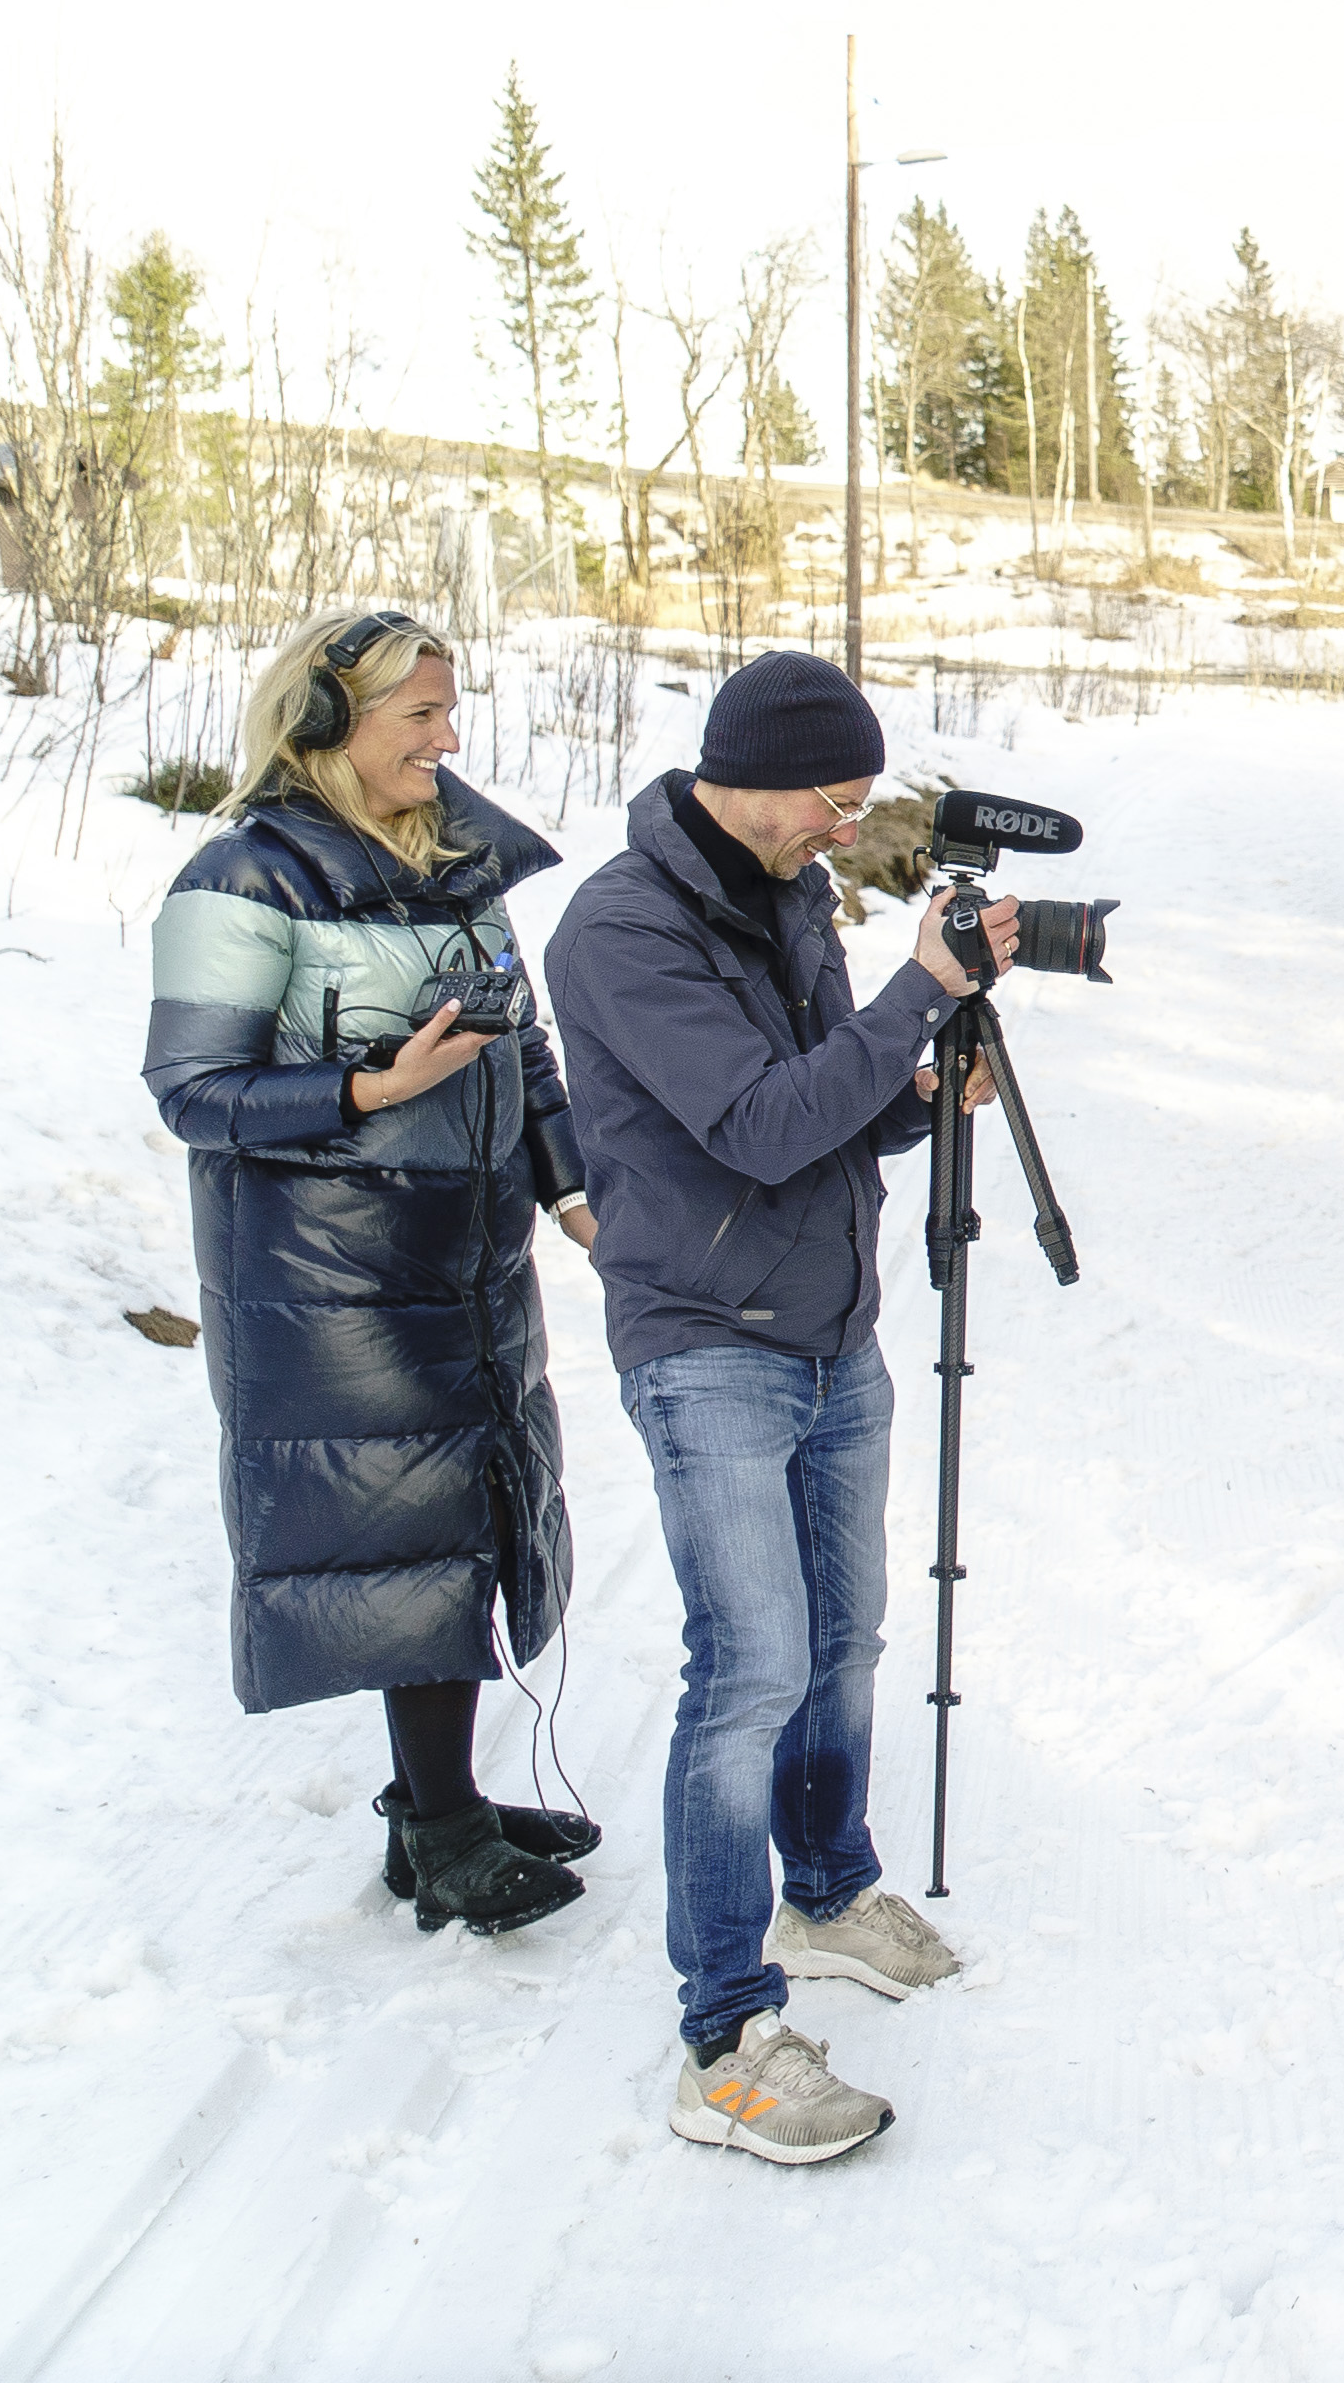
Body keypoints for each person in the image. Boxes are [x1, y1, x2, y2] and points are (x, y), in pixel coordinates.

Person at [540, 648, 1019, 2169]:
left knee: (845, 1637)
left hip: (830, 1326)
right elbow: (752, 1126)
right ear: (751, 773)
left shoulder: (795, 896)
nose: (845, 832)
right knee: (747, 1667)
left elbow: (834, 1101)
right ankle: (725, 2036)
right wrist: (912, 998)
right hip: (706, 1336)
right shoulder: (619, 927)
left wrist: (926, 1086)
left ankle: (826, 1889)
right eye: (835, 802)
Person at [141, 608, 601, 1937]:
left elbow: (527, 1052)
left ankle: (433, 1803)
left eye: (451, 714)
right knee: (408, 1531)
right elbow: (193, 1088)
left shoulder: (460, 863)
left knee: (470, 1518)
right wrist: (366, 1083)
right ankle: (446, 1830)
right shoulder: (243, 879)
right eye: (421, 718)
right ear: (330, 725)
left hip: (466, 1258)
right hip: (326, 1273)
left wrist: (573, 1193)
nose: (450, 741)